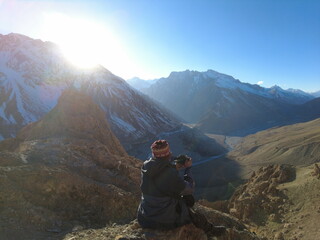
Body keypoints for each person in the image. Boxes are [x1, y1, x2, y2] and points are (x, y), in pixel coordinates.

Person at [137, 139, 226, 236]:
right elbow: (189, 188)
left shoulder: (146, 165)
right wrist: (188, 169)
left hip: (145, 215)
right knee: (189, 203)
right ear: (167, 153)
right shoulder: (169, 174)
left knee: (180, 198)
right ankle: (210, 230)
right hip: (162, 219)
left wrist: (175, 166)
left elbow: (160, 172)